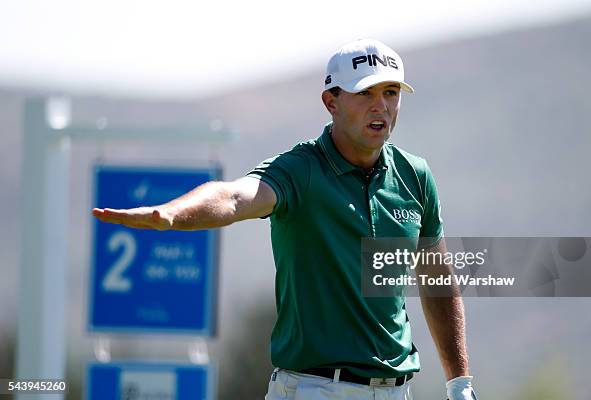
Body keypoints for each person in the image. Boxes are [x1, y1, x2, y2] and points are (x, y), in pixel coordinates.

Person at [92, 38, 477, 400]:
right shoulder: (301, 170)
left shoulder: (415, 176)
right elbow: (234, 196)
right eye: (365, 93)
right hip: (315, 389)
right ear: (332, 102)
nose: (381, 106)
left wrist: (459, 382)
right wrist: (173, 215)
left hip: (396, 390)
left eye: (390, 93)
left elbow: (437, 279)